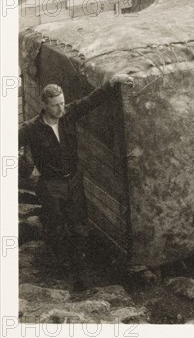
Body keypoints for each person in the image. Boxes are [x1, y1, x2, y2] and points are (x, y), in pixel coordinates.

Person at [18, 74, 134, 290]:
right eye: (55, 106)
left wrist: (111, 82)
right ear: (44, 106)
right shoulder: (31, 128)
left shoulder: (69, 114)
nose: (61, 109)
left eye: (62, 103)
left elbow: (92, 100)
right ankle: (61, 269)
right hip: (51, 185)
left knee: (79, 225)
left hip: (73, 180)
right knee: (56, 228)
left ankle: (81, 271)